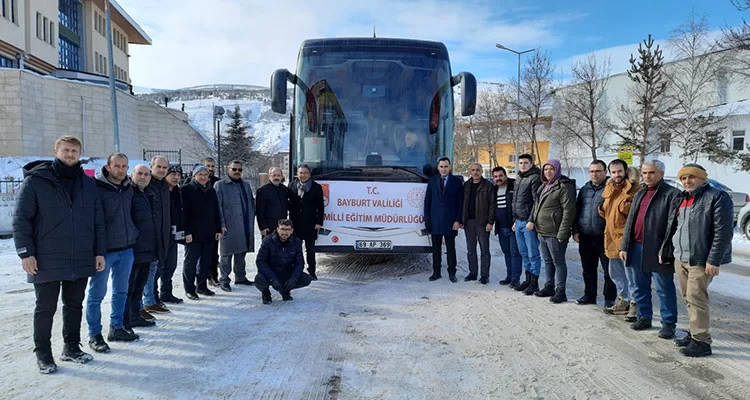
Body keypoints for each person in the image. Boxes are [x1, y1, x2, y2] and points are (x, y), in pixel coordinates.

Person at [13, 136, 106, 374]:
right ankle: (43, 354)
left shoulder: (88, 183)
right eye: (66, 150)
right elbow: (21, 219)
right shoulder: (37, 180)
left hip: (81, 255)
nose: (70, 154)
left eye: (75, 150)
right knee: (45, 307)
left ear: (79, 153)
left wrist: (99, 252)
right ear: (55, 151)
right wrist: (26, 253)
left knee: (74, 304)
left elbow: (98, 220)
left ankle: (71, 347)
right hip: (46, 256)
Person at [662, 164, 733, 357]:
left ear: (703, 178)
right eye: (684, 178)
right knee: (687, 297)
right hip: (681, 257)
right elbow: (673, 228)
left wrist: (714, 260)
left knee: (696, 298)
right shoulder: (682, 198)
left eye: (692, 177)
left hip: (701, 259)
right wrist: (666, 250)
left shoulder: (716, 197)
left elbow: (723, 232)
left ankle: (702, 341)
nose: (687, 181)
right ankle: (694, 333)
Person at [619, 160, 680, 338]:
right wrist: (624, 245)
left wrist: (666, 249)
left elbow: (672, 225)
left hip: (658, 248)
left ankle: (668, 323)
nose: (647, 176)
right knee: (639, 285)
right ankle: (644, 316)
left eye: (651, 173)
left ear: (661, 173)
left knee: (663, 287)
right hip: (636, 245)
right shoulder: (640, 193)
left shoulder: (671, 194)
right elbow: (630, 220)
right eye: (644, 173)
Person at [86, 153, 139, 353]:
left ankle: (116, 327)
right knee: (96, 294)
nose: (121, 169)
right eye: (117, 165)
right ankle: (94, 334)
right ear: (108, 167)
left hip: (126, 249)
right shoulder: (96, 188)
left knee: (121, 292)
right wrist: (95, 250)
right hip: (104, 251)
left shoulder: (128, 188)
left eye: (124, 166)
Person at [528, 159, 576, 303]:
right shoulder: (544, 186)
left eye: (551, 169)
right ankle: (549, 286)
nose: (548, 172)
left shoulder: (564, 186)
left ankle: (561, 291)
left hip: (555, 233)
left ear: (557, 170)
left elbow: (569, 211)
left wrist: (563, 232)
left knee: (558, 262)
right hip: (542, 231)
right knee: (547, 261)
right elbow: (536, 206)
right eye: (546, 169)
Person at [123, 164, 160, 338]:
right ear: (132, 174)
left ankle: (135, 315)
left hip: (147, 248)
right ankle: (125, 319)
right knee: (129, 287)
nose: (143, 176)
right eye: (139, 173)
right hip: (133, 248)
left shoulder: (148, 193)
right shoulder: (128, 193)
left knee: (139, 286)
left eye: (146, 174)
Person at [599, 160, 640, 318]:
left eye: (619, 171)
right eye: (613, 172)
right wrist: (602, 209)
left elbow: (634, 216)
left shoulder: (634, 189)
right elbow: (608, 212)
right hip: (610, 237)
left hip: (625, 238)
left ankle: (635, 304)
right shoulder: (609, 188)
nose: (617, 175)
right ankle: (623, 300)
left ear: (625, 171)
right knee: (615, 273)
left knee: (631, 274)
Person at [573, 160, 615, 306]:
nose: (594, 174)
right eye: (592, 171)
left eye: (598, 171)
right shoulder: (585, 189)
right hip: (586, 236)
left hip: (605, 236)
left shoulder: (611, 188)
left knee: (608, 271)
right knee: (588, 269)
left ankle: (609, 299)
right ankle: (589, 295)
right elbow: (577, 210)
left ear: (605, 172)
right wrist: (576, 230)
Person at [181, 166, 223, 300]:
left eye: (206, 174)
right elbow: (183, 214)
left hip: (209, 233)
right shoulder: (186, 190)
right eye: (200, 174)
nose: (203, 177)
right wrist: (187, 232)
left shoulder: (211, 190)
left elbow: (216, 211)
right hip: (193, 234)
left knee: (206, 262)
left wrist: (218, 228)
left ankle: (202, 286)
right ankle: (189, 288)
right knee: (191, 262)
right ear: (194, 176)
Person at [214, 160, 256, 291]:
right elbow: (217, 207)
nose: (237, 172)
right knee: (226, 254)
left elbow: (251, 202)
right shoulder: (220, 185)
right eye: (234, 169)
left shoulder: (245, 185)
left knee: (241, 252)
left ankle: (240, 277)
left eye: (240, 170)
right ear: (228, 170)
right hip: (228, 224)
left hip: (244, 224)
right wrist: (221, 224)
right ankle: (224, 280)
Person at [424, 157, 464, 282]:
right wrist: (427, 218)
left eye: (446, 166)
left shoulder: (457, 182)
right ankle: (436, 272)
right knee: (436, 249)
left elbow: (460, 203)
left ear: (450, 167)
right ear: (438, 168)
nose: (443, 169)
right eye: (441, 166)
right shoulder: (432, 181)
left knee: (450, 248)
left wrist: (458, 220)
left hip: (450, 222)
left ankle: (452, 273)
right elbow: (427, 202)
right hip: (435, 221)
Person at [254, 219, 313, 303]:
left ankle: (286, 291)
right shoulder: (268, 241)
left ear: (292, 230)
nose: (284, 233)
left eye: (287, 230)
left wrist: (294, 278)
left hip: (286, 272)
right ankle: (266, 293)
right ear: (277, 229)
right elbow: (260, 261)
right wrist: (272, 279)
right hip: (271, 272)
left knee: (305, 279)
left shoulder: (296, 242)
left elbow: (299, 263)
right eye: (282, 229)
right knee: (259, 280)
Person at [143, 156, 172, 317]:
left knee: (154, 271)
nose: (161, 170)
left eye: (164, 167)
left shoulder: (163, 187)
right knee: (143, 274)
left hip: (161, 237)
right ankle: (140, 306)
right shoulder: (147, 185)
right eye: (158, 166)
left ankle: (150, 301)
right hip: (146, 238)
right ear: (152, 166)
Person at [512, 154, 543, 295]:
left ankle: (534, 283)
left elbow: (536, 201)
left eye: (526, 162)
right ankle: (527, 279)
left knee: (532, 253)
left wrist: (531, 220)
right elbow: (515, 201)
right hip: (518, 221)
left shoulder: (535, 178)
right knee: (523, 253)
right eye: (520, 162)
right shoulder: (519, 178)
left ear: (531, 163)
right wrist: (515, 220)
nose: (523, 165)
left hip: (528, 222)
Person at [289, 164, 325, 280]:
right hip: (296, 223)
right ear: (297, 174)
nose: (303, 175)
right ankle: (297, 270)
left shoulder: (316, 187)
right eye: (301, 173)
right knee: (296, 249)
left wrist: (319, 222)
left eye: (305, 173)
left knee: (310, 249)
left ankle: (312, 271)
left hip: (311, 223)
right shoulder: (292, 185)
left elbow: (320, 206)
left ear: (309, 174)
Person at [461, 163, 495, 284]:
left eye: (477, 170)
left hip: (482, 222)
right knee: (471, 249)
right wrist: (461, 220)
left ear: (481, 171)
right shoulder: (466, 185)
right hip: (468, 222)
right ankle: (473, 273)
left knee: (484, 250)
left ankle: (484, 275)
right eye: (473, 170)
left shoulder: (488, 186)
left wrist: (490, 222)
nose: (475, 172)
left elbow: (492, 205)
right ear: (470, 172)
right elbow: (462, 204)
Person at [492, 166, 522, 287]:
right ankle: (509, 276)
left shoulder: (514, 186)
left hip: (513, 227)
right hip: (501, 228)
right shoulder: (493, 190)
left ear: (505, 175)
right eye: (495, 176)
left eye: (500, 176)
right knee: (507, 253)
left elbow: (519, 205)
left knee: (515, 253)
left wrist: (517, 221)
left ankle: (516, 278)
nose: (498, 178)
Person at [159, 164, 185, 304]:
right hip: (161, 234)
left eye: (178, 175)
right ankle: (152, 297)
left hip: (173, 234)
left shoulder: (177, 191)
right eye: (172, 174)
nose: (176, 177)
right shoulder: (160, 191)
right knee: (158, 268)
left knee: (171, 265)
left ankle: (166, 292)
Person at [201, 157, 222, 287]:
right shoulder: (191, 183)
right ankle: (200, 280)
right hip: (198, 225)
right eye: (208, 166)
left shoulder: (218, 183)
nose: (210, 169)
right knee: (198, 256)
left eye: (213, 166)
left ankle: (213, 276)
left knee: (214, 253)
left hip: (213, 224)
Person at [256, 167, 292, 237]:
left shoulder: (284, 189)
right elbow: (259, 211)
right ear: (269, 176)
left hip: (282, 227)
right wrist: (262, 227)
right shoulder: (262, 190)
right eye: (274, 175)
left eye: (278, 175)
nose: (276, 177)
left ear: (281, 177)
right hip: (268, 228)